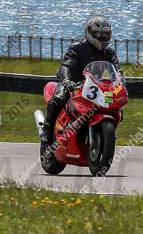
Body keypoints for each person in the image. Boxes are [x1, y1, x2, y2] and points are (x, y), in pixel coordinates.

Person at [41, 16, 124, 146]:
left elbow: (117, 70)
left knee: (116, 106)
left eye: (105, 34)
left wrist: (120, 81)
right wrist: (67, 80)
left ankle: (104, 136)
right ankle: (46, 132)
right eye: (98, 33)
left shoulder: (109, 52)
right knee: (58, 98)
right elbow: (66, 66)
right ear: (90, 33)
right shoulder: (77, 48)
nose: (102, 37)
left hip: (96, 87)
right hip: (74, 84)